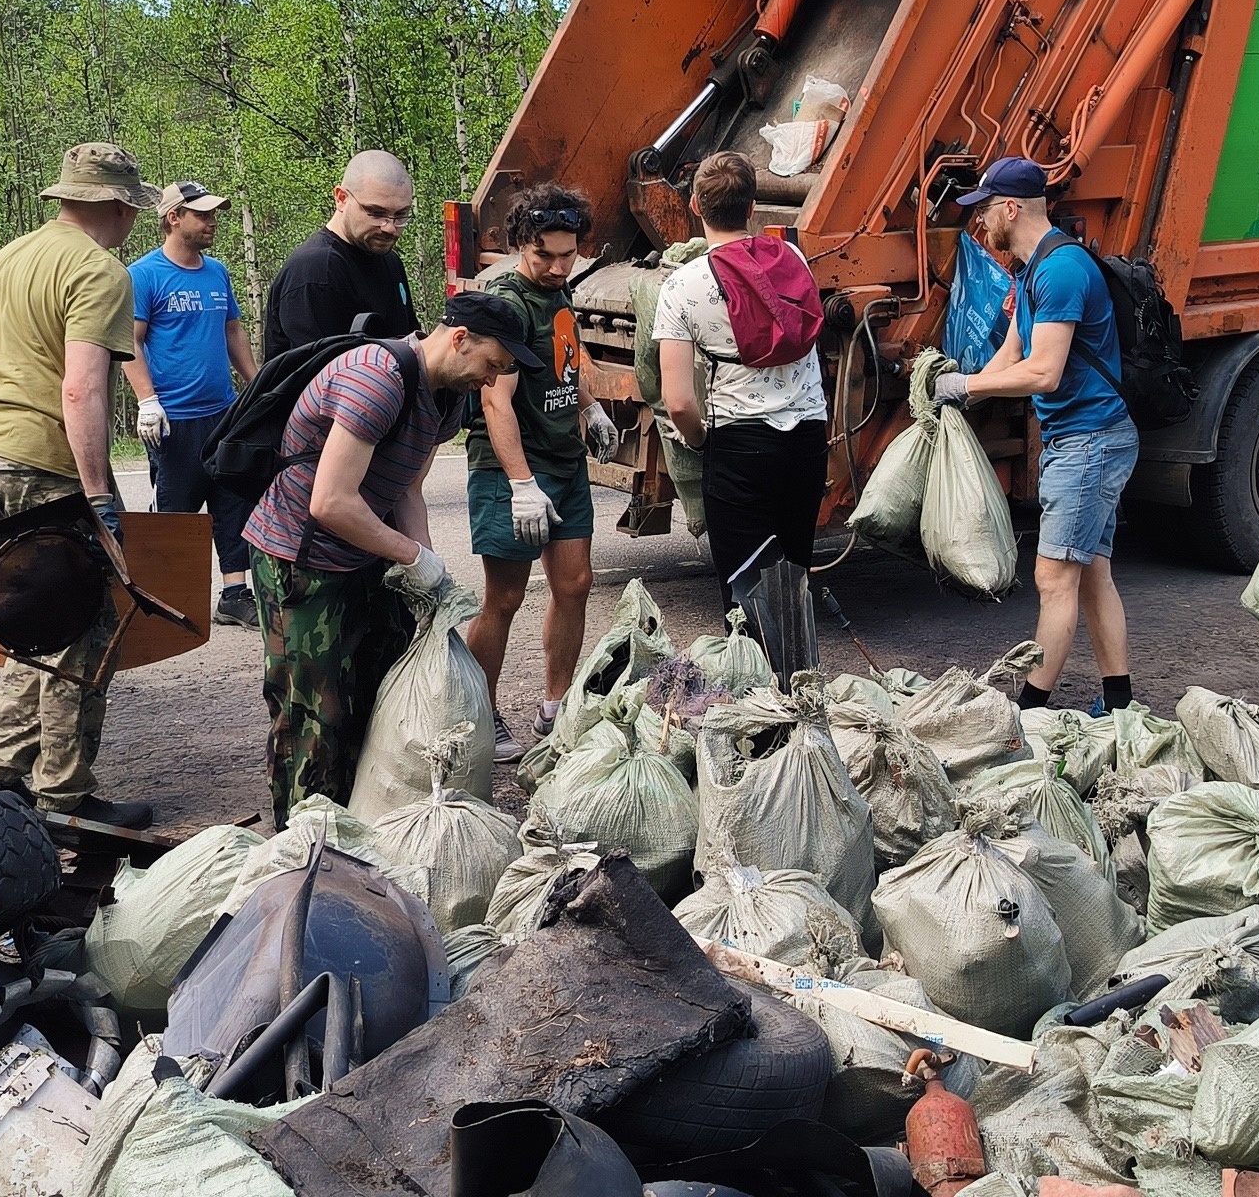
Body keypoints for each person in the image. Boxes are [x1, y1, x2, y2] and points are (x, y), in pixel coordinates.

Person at [240, 292, 532, 823]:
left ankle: (356, 834)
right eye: (492, 366)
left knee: (369, 704)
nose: (492, 382)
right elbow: (330, 502)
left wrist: (425, 570)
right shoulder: (376, 379)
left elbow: (406, 490)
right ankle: (300, 851)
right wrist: (411, 554)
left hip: (364, 557)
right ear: (460, 339)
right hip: (301, 562)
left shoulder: (446, 396)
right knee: (315, 718)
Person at [0, 142, 157, 827]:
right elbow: (81, 387)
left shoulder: (10, 254)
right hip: (40, 457)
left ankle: (1, 769)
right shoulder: (100, 269)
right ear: (122, 207)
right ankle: (65, 795)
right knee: (86, 624)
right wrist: (98, 493)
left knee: (28, 617)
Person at [934, 156, 1138, 715]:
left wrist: (968, 385)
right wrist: (961, 390)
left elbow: (1044, 372)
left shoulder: (1060, 270)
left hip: (1090, 439)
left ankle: (1030, 712)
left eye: (983, 213)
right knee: (1093, 575)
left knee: (1053, 578)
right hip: (1082, 437)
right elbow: (1013, 354)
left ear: (1010, 208)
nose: (979, 226)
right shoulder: (1030, 270)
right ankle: (1120, 705)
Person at [461, 187, 625, 755]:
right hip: (514, 468)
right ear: (518, 247)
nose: (558, 268)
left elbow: (566, 357)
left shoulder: (559, 293)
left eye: (567, 255)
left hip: (563, 459)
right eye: (544, 257)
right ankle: (480, 715)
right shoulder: (506, 304)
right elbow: (494, 402)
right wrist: (522, 486)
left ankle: (555, 708)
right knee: (503, 597)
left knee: (576, 585)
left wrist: (591, 407)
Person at [654, 152, 830, 613]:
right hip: (808, 440)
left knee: (746, 591)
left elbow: (677, 402)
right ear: (753, 207)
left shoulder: (683, 285)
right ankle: (798, 682)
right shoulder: (792, 258)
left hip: (739, 446)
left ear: (695, 206)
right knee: (795, 581)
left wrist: (699, 443)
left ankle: (758, 684)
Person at [127, 180, 262, 627]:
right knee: (177, 510)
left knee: (231, 501)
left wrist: (257, 386)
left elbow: (232, 332)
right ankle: (166, 596)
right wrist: (147, 401)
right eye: (202, 214)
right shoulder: (144, 274)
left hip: (222, 411)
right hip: (174, 416)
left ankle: (234, 593)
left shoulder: (216, 271)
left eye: (213, 214)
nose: (211, 222)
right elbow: (131, 341)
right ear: (173, 218)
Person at [260, 151, 424, 359]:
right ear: (341, 199)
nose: (390, 228)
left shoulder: (389, 260)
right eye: (376, 213)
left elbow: (409, 342)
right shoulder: (314, 273)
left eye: (400, 215)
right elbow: (321, 379)